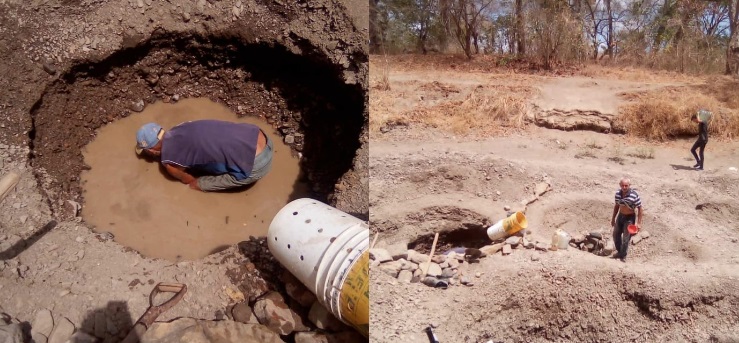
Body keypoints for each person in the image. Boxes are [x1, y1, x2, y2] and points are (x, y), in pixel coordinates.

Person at [135, 119, 273, 192]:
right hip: (260, 136)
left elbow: (188, 180)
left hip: (257, 165)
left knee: (196, 185)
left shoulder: (169, 163)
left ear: (151, 151)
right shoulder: (183, 125)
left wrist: (191, 180)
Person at [610, 178, 643, 262]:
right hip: (620, 216)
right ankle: (619, 251)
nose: (624, 187)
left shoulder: (634, 195)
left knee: (626, 237)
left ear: (629, 186)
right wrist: (613, 218)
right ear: (620, 185)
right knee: (615, 234)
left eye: (626, 186)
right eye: (622, 185)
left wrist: (638, 223)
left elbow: (640, 208)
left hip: (629, 217)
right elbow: (617, 206)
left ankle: (623, 255)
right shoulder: (618, 194)